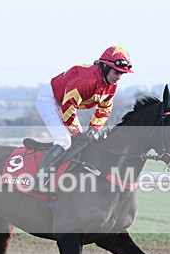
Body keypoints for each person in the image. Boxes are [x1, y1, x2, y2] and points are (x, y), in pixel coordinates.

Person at [36, 45, 133, 175]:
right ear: (105, 67)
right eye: (116, 72)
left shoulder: (111, 85)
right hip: (50, 100)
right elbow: (68, 108)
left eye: (122, 73)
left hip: (65, 103)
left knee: (80, 144)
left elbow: (104, 109)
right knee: (64, 141)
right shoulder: (87, 80)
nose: (119, 77)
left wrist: (93, 129)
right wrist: (77, 132)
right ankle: (39, 179)